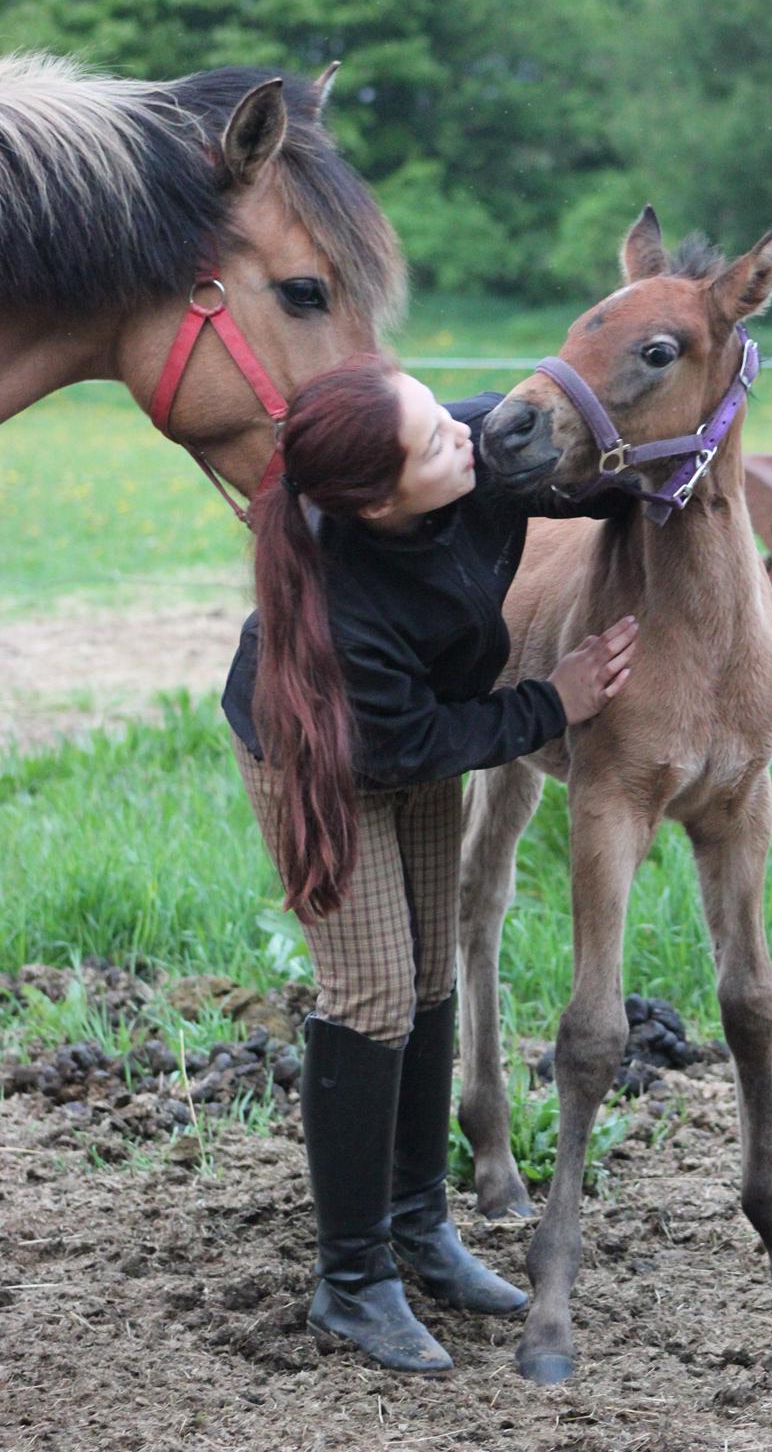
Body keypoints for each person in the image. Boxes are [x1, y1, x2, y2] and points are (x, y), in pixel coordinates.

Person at [221, 358, 638, 1374]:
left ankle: (418, 1225)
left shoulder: (477, 452)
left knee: (429, 975)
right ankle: (350, 1277)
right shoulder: (347, 608)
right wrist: (556, 698)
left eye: (439, 410)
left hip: (420, 725)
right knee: (369, 996)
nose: (466, 430)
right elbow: (412, 742)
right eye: (434, 437)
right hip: (327, 752)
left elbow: (585, 453)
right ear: (375, 500)